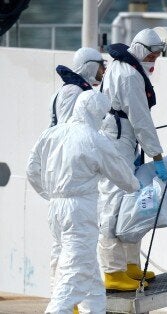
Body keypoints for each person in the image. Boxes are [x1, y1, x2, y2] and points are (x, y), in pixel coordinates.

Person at [26, 90, 140, 314]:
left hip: (56, 209)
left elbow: (31, 169)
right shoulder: (94, 138)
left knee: (88, 272)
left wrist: (49, 194)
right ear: (96, 112)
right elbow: (122, 174)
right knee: (75, 273)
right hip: (80, 210)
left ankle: (95, 311)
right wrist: (138, 187)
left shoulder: (51, 134)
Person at [98, 28, 167, 290]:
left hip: (123, 138)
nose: (154, 60)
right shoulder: (129, 75)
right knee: (114, 203)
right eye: (152, 55)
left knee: (131, 200)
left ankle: (130, 266)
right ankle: (113, 272)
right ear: (139, 50)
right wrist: (157, 155)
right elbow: (141, 119)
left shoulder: (121, 67)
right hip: (120, 140)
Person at [50, 47, 106, 126]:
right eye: (101, 65)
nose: (104, 70)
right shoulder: (75, 91)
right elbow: (65, 127)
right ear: (90, 66)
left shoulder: (72, 88)